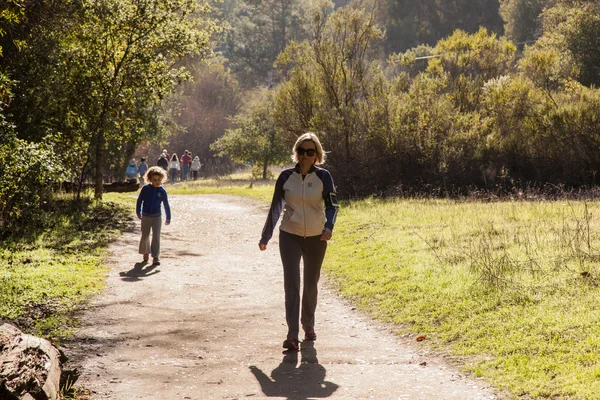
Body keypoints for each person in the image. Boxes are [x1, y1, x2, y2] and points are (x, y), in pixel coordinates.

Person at [258, 132, 339, 351]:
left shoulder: (324, 177)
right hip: (289, 235)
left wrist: (328, 228)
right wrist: (266, 236)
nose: (304, 155)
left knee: (311, 284)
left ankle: (308, 324)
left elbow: (333, 205)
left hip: (316, 237)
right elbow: (275, 207)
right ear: (296, 153)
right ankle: (292, 334)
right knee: (291, 284)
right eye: (301, 151)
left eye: (309, 152)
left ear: (316, 156)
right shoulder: (285, 177)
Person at [136, 166, 171, 265]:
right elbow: (139, 200)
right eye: (154, 180)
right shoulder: (145, 189)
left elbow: (166, 205)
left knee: (156, 236)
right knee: (145, 235)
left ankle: (155, 256)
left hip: (157, 217)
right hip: (146, 216)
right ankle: (145, 252)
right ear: (150, 179)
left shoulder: (162, 191)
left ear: (162, 179)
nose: (157, 182)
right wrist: (138, 211)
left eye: (159, 180)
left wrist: (168, 217)